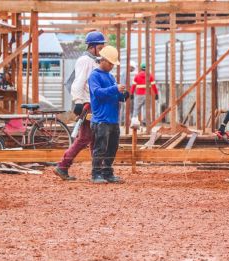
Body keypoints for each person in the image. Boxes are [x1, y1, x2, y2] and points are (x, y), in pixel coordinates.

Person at [54, 31, 106, 181]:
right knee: (85, 138)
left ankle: (98, 169)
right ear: (92, 47)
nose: (102, 50)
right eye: (100, 47)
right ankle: (63, 165)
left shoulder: (94, 61)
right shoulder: (85, 60)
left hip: (93, 104)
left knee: (94, 137)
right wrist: (78, 101)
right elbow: (78, 82)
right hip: (86, 103)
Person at [88, 46, 129, 184]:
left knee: (112, 147)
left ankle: (107, 172)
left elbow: (115, 96)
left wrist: (123, 94)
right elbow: (98, 93)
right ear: (103, 60)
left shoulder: (111, 77)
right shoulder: (94, 76)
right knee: (100, 147)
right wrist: (114, 88)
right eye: (110, 63)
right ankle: (96, 174)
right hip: (101, 120)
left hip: (112, 119)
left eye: (113, 64)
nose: (112, 66)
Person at [130, 62, 158, 127]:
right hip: (148, 95)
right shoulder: (150, 76)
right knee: (146, 109)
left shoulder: (137, 76)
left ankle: (134, 122)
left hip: (139, 95)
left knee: (136, 108)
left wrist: (131, 93)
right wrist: (156, 94)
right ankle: (145, 122)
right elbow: (154, 86)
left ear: (141, 68)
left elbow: (133, 86)